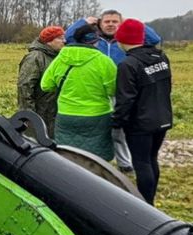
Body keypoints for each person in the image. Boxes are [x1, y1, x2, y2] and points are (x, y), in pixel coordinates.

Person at [65, 10, 163, 173]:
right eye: (107, 21)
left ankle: (125, 162)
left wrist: (129, 21)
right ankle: (100, 160)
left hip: (124, 90)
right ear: (99, 24)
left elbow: (154, 39)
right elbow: (68, 37)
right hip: (99, 91)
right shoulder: (95, 40)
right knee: (102, 127)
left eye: (115, 22)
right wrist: (83, 22)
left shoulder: (126, 41)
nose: (110, 24)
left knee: (121, 129)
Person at [112, 19, 173, 205]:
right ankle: (150, 199)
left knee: (141, 163)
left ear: (122, 40)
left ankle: (145, 204)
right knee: (152, 159)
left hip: (140, 123)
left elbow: (126, 99)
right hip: (162, 117)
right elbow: (167, 87)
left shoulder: (128, 65)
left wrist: (116, 121)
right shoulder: (161, 57)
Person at [40, 24, 117, 160]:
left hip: (66, 115)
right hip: (97, 116)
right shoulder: (104, 61)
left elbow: (45, 85)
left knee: (67, 157)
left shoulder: (61, 58)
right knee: (97, 159)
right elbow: (113, 90)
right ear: (96, 40)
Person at [17, 25, 65, 137]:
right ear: (49, 41)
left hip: (54, 114)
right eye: (60, 38)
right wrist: (29, 115)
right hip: (40, 114)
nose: (64, 41)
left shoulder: (58, 57)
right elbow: (25, 86)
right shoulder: (35, 57)